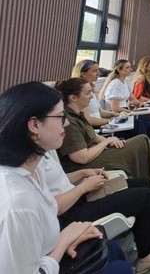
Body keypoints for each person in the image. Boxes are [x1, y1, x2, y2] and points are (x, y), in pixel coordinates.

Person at [0, 82, 133, 274]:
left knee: (111, 249)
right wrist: (64, 239)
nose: (67, 123)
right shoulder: (18, 201)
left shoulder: (32, 169)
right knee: (120, 269)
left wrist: (69, 236)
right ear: (35, 125)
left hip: (47, 249)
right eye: (61, 117)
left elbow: (47, 212)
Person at [40, 152, 150, 273]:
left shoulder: (41, 154)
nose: (65, 130)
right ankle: (147, 257)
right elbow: (51, 207)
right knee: (145, 197)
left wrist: (83, 173)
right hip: (70, 213)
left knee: (144, 183)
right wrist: (83, 188)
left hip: (77, 197)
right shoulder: (32, 167)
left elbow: (58, 180)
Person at [55, 78, 150, 179]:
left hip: (95, 152)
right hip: (85, 164)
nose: (91, 97)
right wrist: (106, 141)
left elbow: (93, 135)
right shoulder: (70, 122)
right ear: (73, 97)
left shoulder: (78, 115)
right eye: (87, 93)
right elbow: (81, 158)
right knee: (141, 141)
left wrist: (111, 141)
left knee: (140, 140)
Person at [95, 59, 150, 145]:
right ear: (119, 70)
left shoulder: (126, 81)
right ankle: (147, 149)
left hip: (126, 113)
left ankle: (149, 149)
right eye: (127, 67)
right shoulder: (115, 84)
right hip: (119, 116)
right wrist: (130, 112)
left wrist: (141, 104)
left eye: (130, 67)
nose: (130, 69)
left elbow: (132, 99)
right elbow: (115, 108)